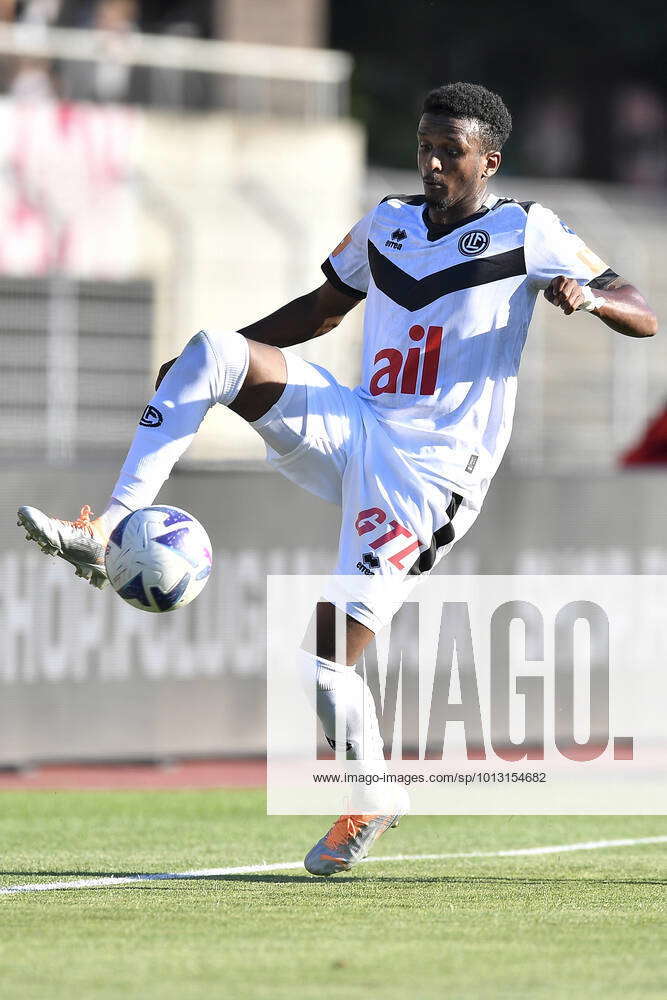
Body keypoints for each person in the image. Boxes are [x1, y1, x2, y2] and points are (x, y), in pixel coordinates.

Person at [18, 82, 658, 876]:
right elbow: (323, 311)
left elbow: (642, 309)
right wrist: (204, 367)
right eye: (424, 145)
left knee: (320, 660)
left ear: (487, 161)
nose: (430, 161)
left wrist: (591, 298)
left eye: (448, 151)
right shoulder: (388, 221)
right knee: (215, 347)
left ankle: (373, 793)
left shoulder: (528, 231)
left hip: (428, 476)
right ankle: (108, 528)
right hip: (357, 422)